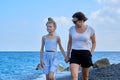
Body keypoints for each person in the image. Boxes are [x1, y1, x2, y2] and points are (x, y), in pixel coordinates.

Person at [66, 12, 96, 80]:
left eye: (78, 22)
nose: (76, 24)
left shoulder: (90, 29)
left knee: (85, 77)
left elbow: (94, 43)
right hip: (74, 53)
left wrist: (91, 53)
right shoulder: (71, 29)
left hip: (86, 54)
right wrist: (67, 55)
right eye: (75, 22)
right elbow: (69, 42)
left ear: (82, 20)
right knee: (74, 76)